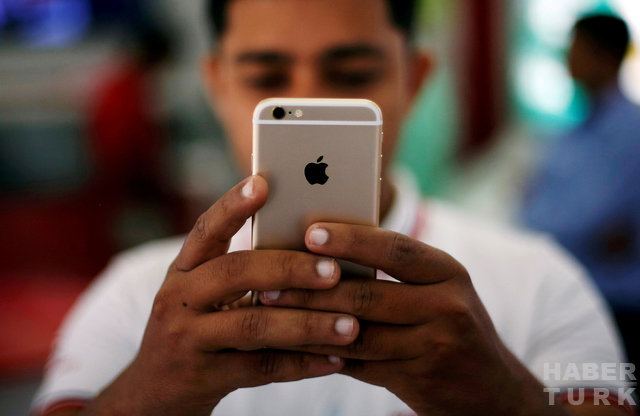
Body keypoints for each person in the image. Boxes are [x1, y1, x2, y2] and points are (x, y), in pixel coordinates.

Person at [33, 2, 635, 415]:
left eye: (352, 74)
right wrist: (148, 393)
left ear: (415, 80)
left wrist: (508, 403)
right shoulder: (139, 296)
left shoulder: (542, 281)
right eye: (266, 76)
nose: (309, 100)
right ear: (216, 84)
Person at [522, 15, 640, 369]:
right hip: (574, 295)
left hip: (618, 305)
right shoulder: (574, 131)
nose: (567, 58)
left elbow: (594, 222)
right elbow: (530, 208)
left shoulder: (630, 131)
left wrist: (543, 225)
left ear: (605, 57)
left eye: (576, 49)